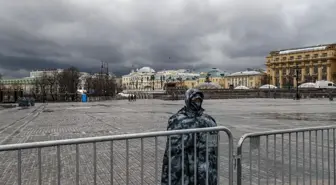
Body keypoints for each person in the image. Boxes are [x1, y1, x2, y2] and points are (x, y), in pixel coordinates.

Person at [161, 88, 218, 185]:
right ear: (188, 100)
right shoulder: (177, 120)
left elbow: (213, 149)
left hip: (203, 169)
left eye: (199, 100)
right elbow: (172, 151)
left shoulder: (209, 121)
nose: (197, 103)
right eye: (194, 100)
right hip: (183, 170)